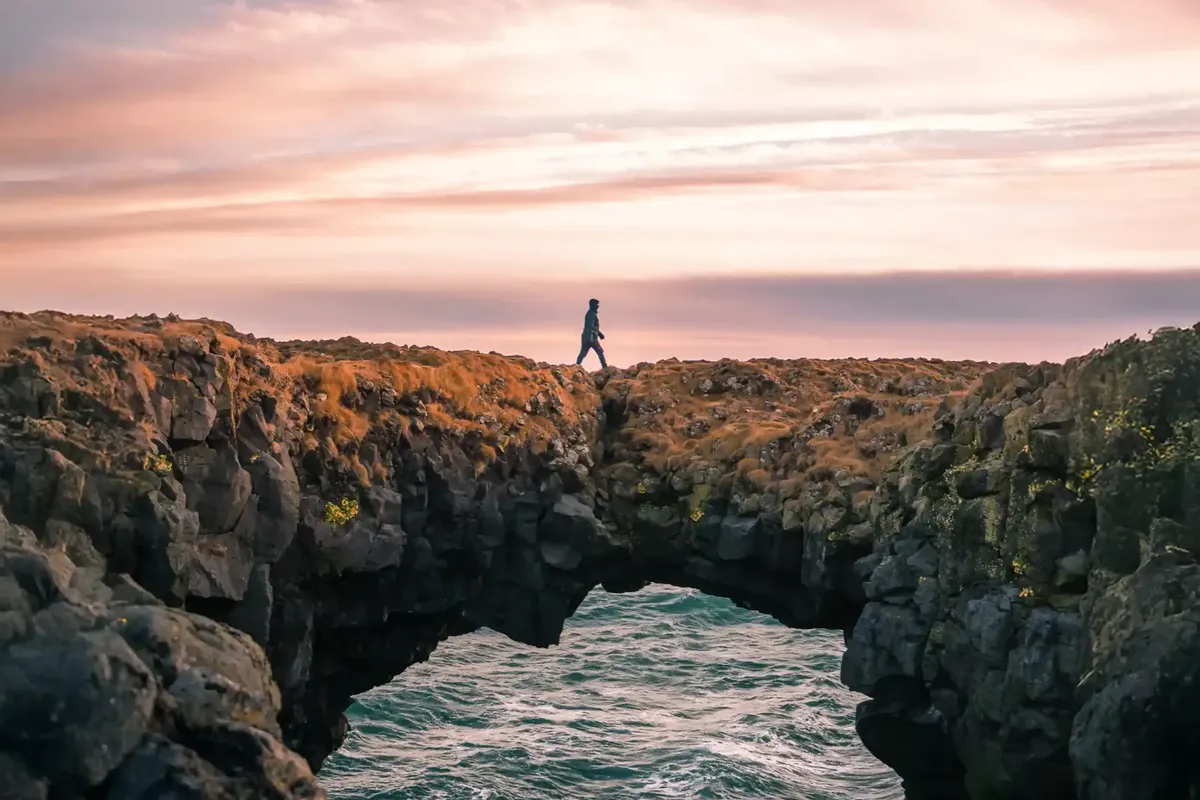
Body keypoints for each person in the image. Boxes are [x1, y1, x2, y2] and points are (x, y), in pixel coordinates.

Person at [575, 298, 607, 369]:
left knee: (583, 353)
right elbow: (590, 326)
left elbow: (593, 327)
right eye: (596, 305)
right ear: (592, 305)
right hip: (591, 337)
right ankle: (605, 367)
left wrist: (600, 334)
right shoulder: (591, 314)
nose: (597, 306)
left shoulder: (591, 314)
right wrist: (591, 339)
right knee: (599, 351)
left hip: (588, 337)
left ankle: (577, 365)